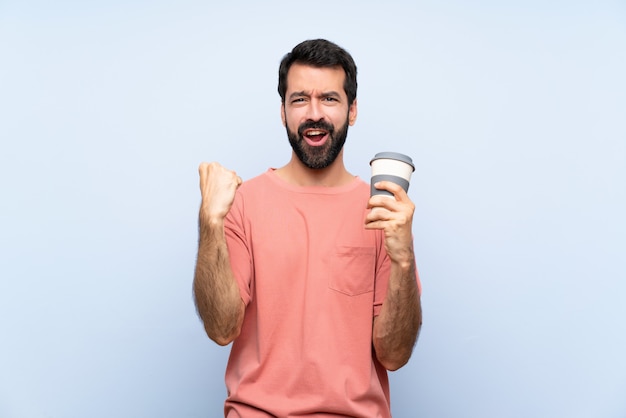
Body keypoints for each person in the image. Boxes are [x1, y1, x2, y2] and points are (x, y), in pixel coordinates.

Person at [193, 39, 422, 417]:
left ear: (352, 110)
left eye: (329, 99)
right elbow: (220, 329)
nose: (314, 113)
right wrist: (210, 221)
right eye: (300, 99)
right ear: (283, 112)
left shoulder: (384, 212)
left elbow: (394, 356)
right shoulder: (243, 202)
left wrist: (403, 259)